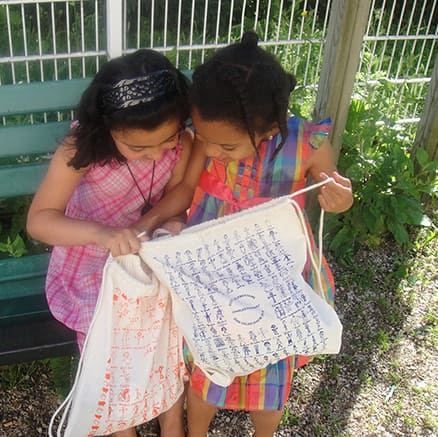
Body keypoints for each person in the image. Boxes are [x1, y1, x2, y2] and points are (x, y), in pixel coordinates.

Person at [147, 31, 354, 437]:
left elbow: (335, 191)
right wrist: (146, 224)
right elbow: (185, 191)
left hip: (274, 275)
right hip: (215, 273)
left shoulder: (308, 144)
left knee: (270, 365)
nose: (209, 151)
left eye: (225, 146)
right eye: (203, 139)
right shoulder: (207, 141)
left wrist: (339, 198)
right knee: (209, 360)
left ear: (267, 130)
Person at [26, 49, 192, 437]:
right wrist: (102, 234)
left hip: (148, 248)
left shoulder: (181, 141)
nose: (155, 154)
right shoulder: (80, 150)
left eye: (166, 141)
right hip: (90, 260)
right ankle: (122, 423)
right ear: (108, 128)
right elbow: (39, 220)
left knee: (173, 313)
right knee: (112, 330)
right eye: (138, 148)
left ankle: (170, 414)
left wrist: (165, 223)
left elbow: (179, 191)